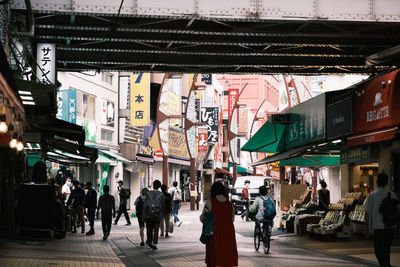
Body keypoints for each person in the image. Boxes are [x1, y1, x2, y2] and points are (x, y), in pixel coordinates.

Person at [200, 182, 238, 267]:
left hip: (214, 234)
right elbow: (232, 219)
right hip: (228, 234)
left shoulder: (210, 203)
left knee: (213, 259)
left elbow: (203, 219)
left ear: (212, 191)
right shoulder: (229, 204)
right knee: (227, 258)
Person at [365, 172, 399, 267]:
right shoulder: (391, 194)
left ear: (376, 182)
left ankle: (385, 265)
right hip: (390, 227)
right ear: (387, 183)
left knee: (378, 251)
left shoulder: (372, 195)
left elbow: (367, 213)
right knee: (386, 249)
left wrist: (367, 229)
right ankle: (386, 264)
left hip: (378, 228)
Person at [142, 180, 165, 250]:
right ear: (159, 186)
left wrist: (143, 216)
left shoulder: (148, 194)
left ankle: (149, 241)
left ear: (153, 185)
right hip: (157, 215)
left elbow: (145, 205)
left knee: (149, 229)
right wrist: (161, 215)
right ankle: (154, 242)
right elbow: (163, 206)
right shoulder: (161, 195)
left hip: (148, 215)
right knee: (156, 229)